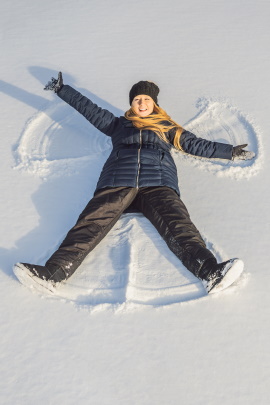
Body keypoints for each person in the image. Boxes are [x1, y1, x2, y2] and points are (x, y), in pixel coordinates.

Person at [14, 72, 254, 295]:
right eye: (137, 99)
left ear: (154, 103)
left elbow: (197, 144)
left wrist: (230, 152)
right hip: (118, 181)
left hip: (158, 183)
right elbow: (90, 110)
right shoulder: (118, 125)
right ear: (131, 104)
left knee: (180, 226)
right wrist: (63, 90)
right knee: (89, 224)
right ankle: (53, 274)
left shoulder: (168, 129)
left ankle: (210, 273)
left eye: (146, 99)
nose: (141, 103)